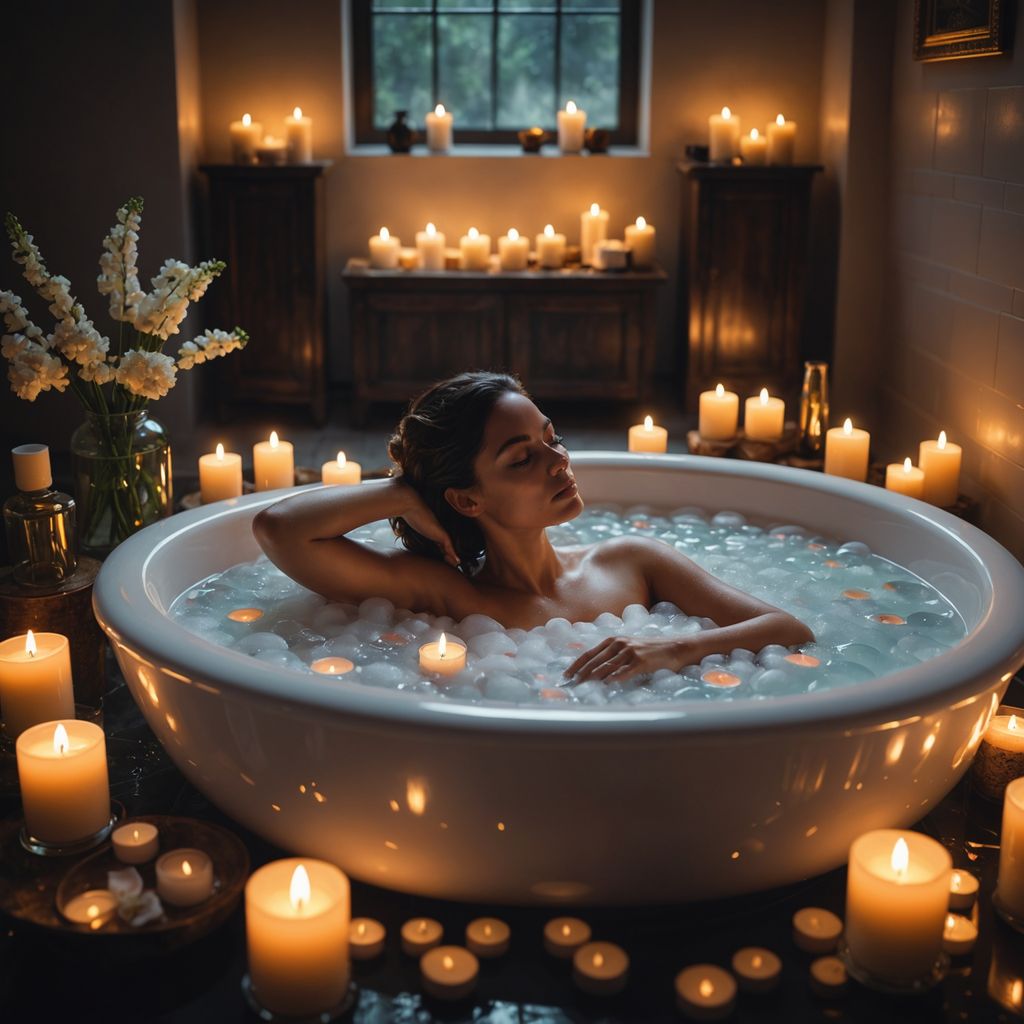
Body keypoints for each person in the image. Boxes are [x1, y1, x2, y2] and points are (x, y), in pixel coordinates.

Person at [253, 371, 814, 683]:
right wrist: (400, 492)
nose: (558, 462)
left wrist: (672, 648)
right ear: (466, 500)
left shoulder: (630, 561)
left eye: (553, 437)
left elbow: (788, 628)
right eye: (521, 459)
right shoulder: (450, 592)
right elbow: (278, 528)